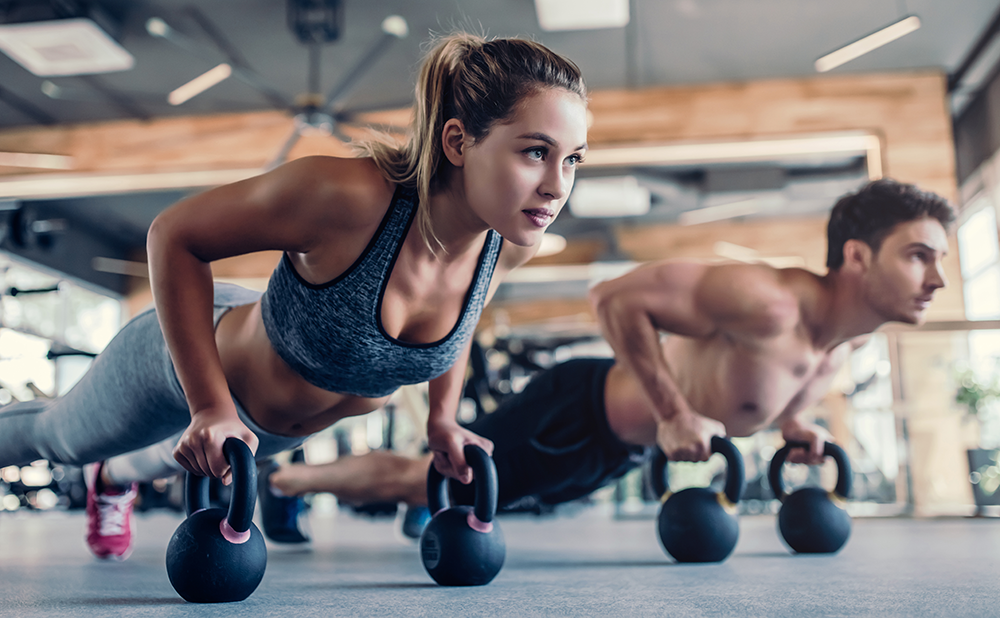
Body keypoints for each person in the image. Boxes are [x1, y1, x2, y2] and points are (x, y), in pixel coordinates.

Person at [0, 32, 589, 560]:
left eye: (573, 160)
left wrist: (442, 420)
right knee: (60, 439)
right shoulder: (348, 197)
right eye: (535, 152)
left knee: (157, 458)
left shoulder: (510, 244)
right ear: (458, 142)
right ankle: (105, 463)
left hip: (265, 429)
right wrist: (209, 405)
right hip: (187, 363)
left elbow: (456, 327)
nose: (558, 185)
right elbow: (175, 235)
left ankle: (116, 478)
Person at [257, 177, 954, 540]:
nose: (938, 279)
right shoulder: (766, 299)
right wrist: (675, 411)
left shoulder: (846, 340)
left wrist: (797, 423)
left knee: (453, 491)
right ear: (858, 257)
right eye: (919, 255)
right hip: (577, 413)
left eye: (942, 260)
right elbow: (613, 296)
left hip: (610, 451)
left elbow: (777, 381)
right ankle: (286, 484)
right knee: (424, 482)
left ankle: (295, 483)